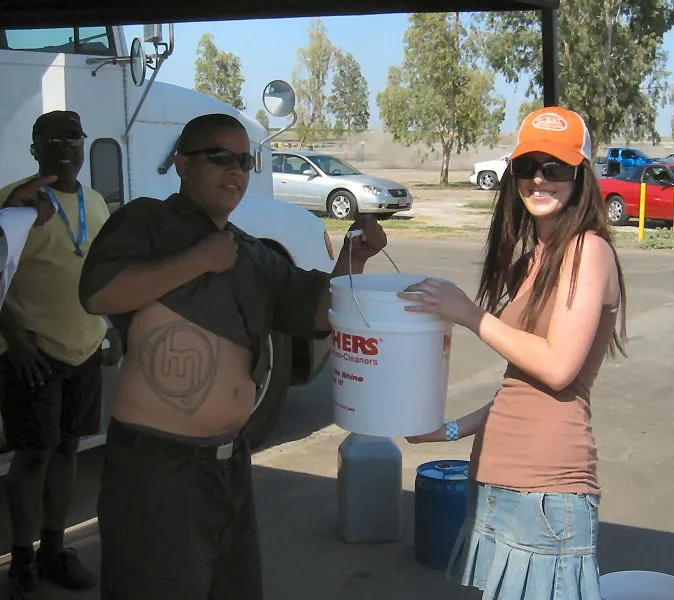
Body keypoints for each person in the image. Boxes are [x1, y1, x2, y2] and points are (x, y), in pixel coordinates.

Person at [77, 112, 388, 600]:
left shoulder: (249, 252)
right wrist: (199, 260)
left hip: (227, 464)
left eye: (245, 161)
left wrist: (354, 256)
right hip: (156, 466)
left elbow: (319, 309)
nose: (236, 171)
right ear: (182, 163)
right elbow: (99, 294)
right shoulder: (146, 221)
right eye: (220, 157)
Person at [398, 107, 628, 600]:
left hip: (546, 488)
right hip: (496, 479)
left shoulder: (588, 250)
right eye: (527, 167)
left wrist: (470, 314)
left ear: (582, 176)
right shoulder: (529, 263)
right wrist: (450, 430)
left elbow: (558, 368)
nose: (539, 179)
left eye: (556, 168)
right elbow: (522, 388)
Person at [0, 110, 111, 600]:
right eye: (53, 141)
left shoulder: (95, 201)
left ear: (84, 146)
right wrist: (15, 339)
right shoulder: (14, 201)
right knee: (33, 456)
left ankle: (53, 551)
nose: (66, 149)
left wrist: (109, 328)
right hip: (32, 354)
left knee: (67, 450)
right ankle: (21, 563)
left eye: (73, 140)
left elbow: (101, 270)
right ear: (35, 149)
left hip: (84, 349)